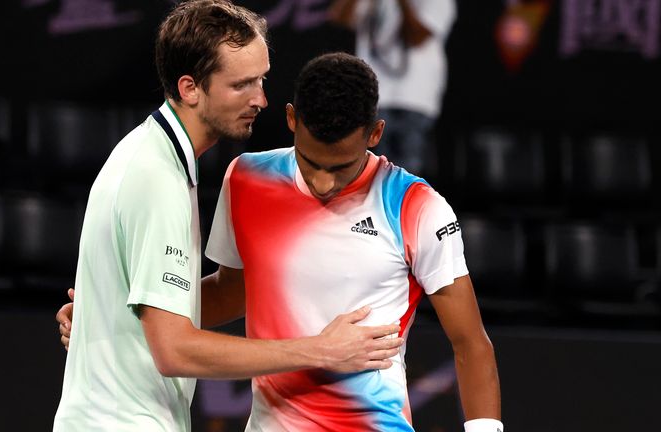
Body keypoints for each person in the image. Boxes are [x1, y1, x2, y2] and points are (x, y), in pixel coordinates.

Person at [59, 52, 503, 431]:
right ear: (291, 119)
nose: (325, 183)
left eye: (343, 167)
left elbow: (470, 342)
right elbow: (230, 294)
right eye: (313, 162)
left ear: (375, 134)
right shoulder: (247, 178)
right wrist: (112, 315)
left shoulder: (417, 207)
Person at [52, 2, 404, 431]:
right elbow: (175, 351)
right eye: (242, 85)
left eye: (262, 79)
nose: (261, 99)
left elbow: (212, 299)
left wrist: (102, 314)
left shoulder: (151, 155)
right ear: (190, 88)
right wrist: (320, 350)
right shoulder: (156, 179)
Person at [328, 0, 456, 175]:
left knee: (406, 178)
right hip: (373, 99)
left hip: (414, 99)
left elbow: (417, 37)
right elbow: (340, 17)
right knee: (369, 178)